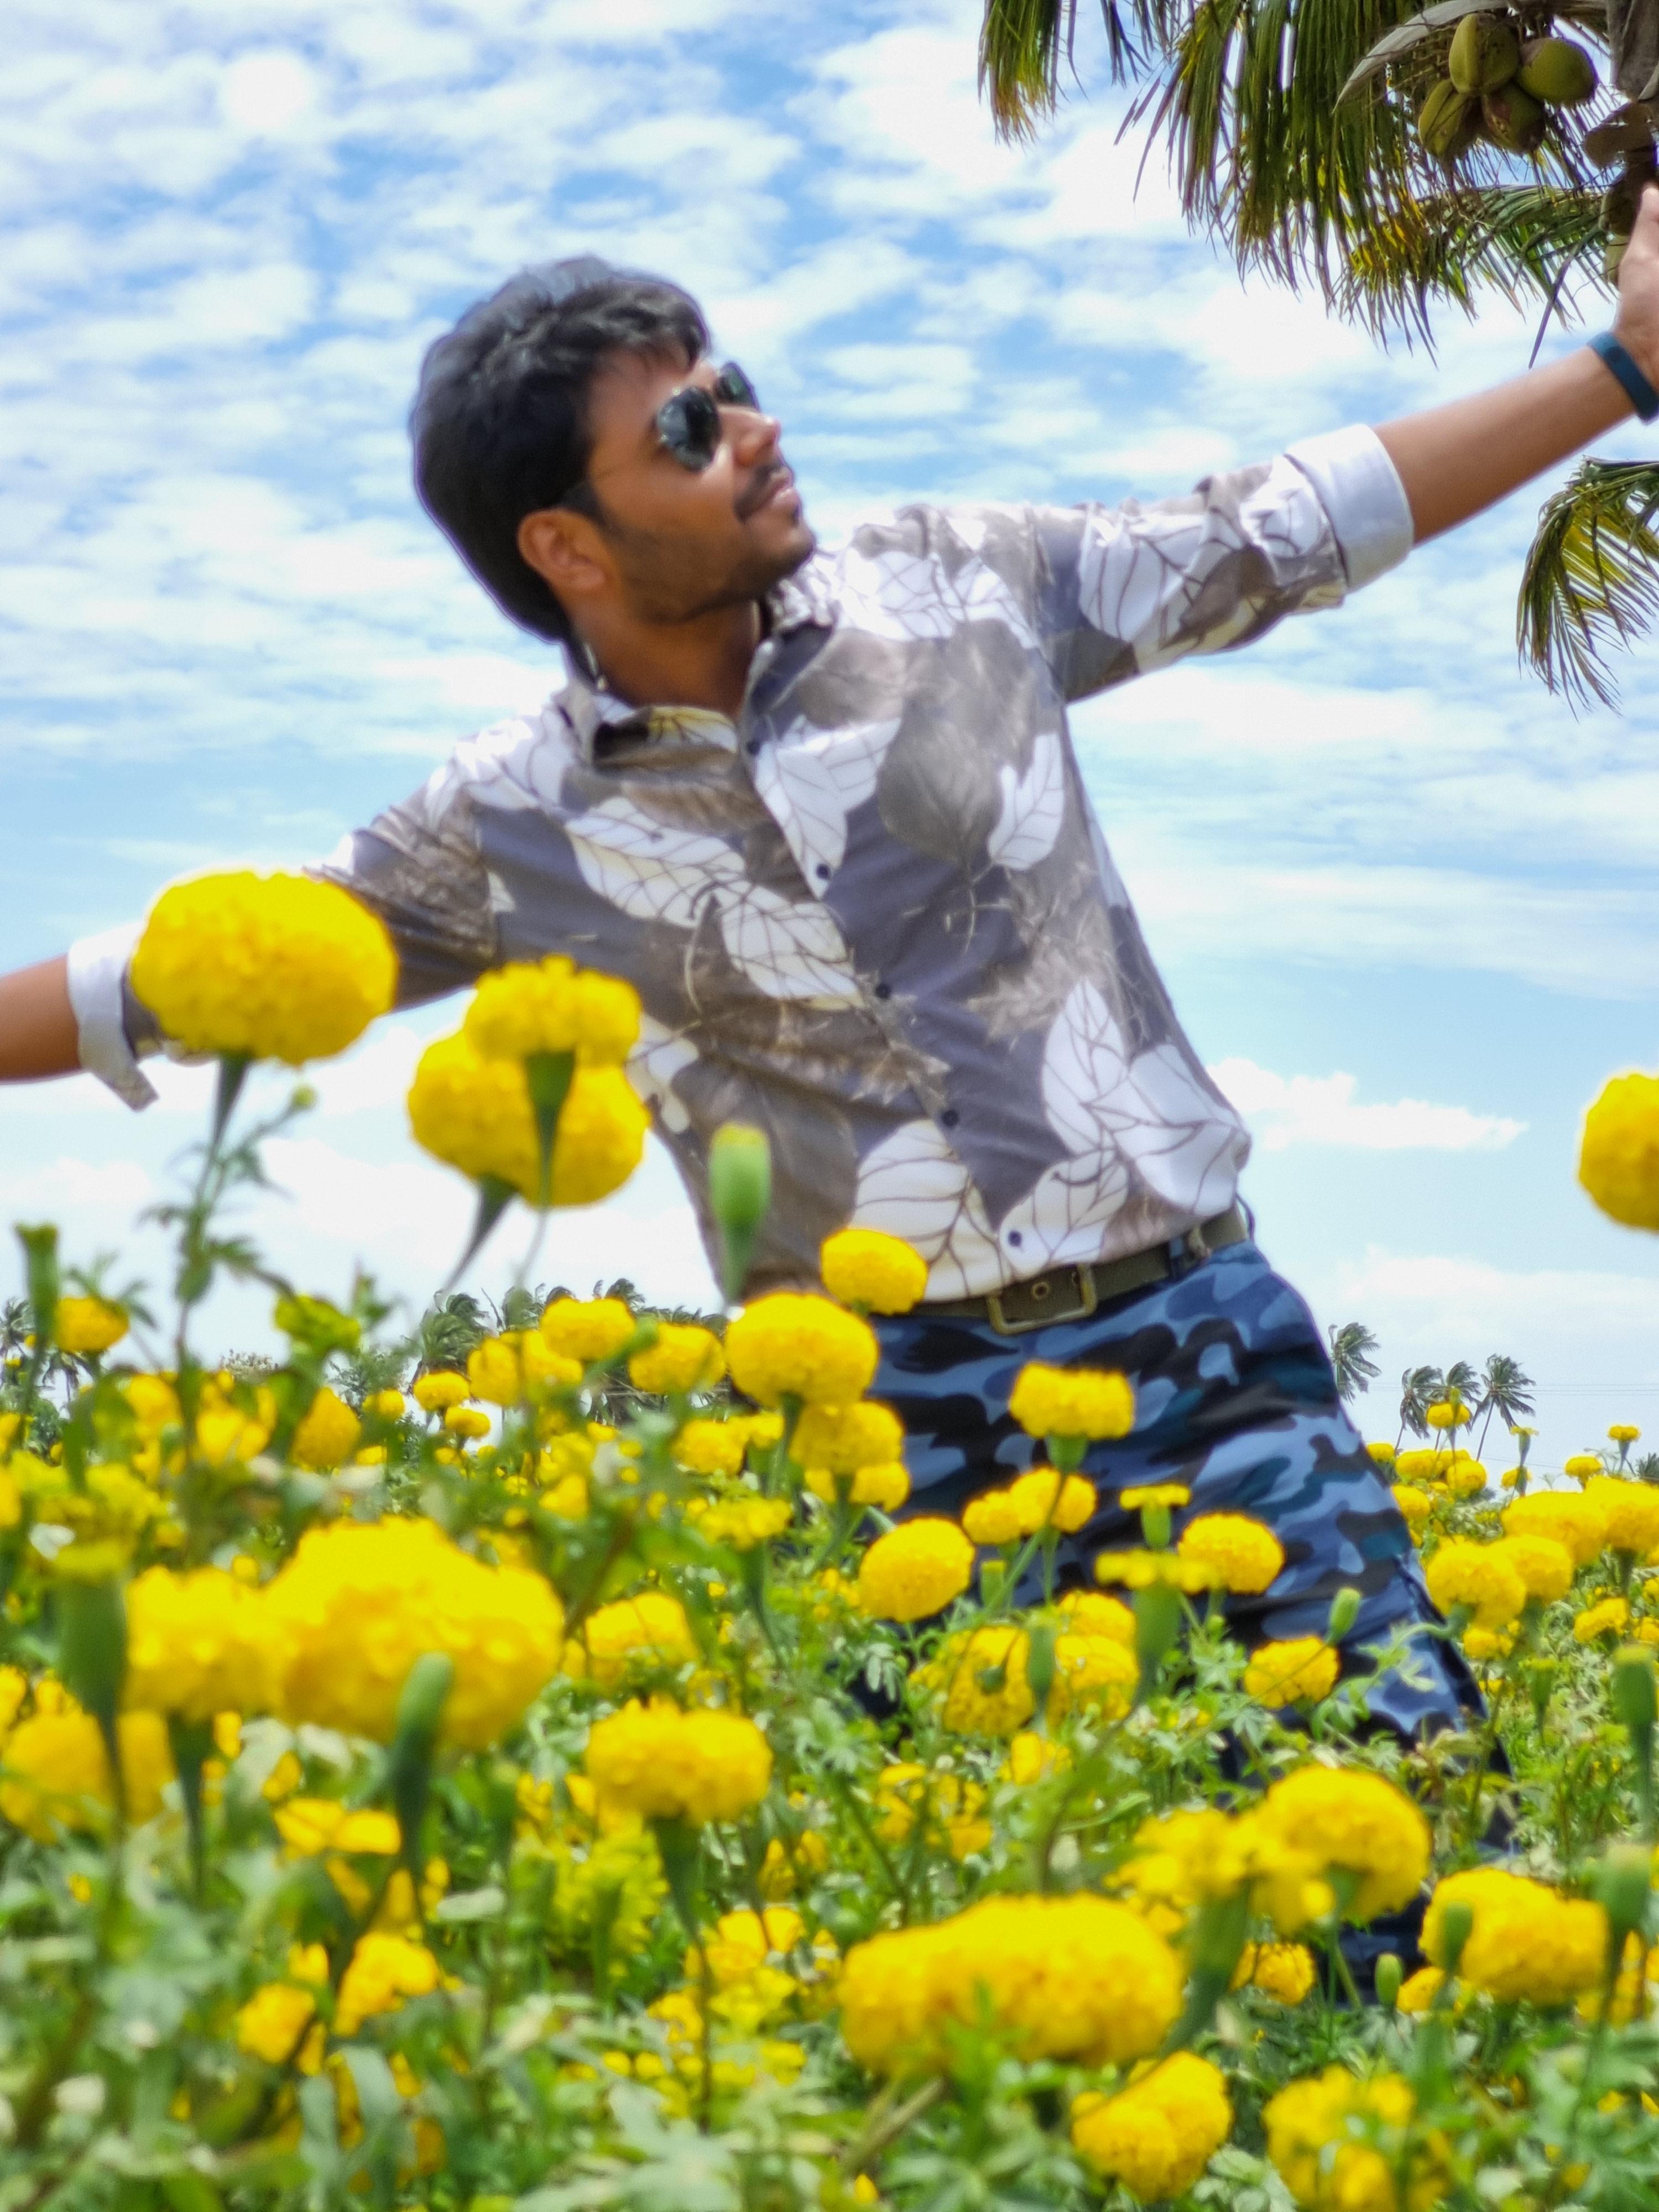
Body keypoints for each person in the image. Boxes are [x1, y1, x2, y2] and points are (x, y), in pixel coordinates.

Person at [8, 206, 1659, 1739]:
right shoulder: (506, 822)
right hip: (886, 1441)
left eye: (732, 386)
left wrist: (1624, 366)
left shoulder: (960, 580)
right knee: (972, 1905)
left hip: (1201, 1353)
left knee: (1406, 1812)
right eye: (687, 430)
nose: (756, 430)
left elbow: (1286, 527)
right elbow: (163, 977)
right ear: (566, 546)